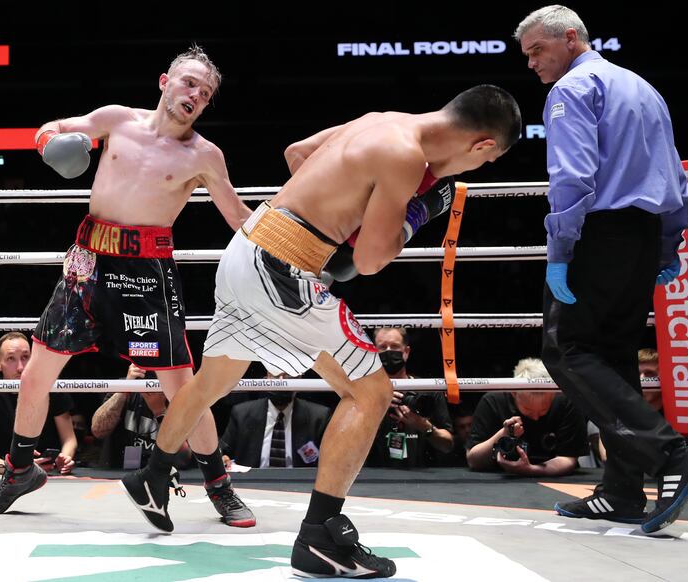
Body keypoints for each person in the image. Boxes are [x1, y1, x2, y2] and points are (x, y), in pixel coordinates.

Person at [121, 84, 521, 578]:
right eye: (485, 162)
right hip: (282, 270)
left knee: (212, 382)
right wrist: (419, 212)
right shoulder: (406, 157)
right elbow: (371, 261)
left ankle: (154, 473)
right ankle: (320, 535)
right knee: (371, 392)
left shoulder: (381, 116)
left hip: (248, 247)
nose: (476, 169)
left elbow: (297, 154)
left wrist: (331, 214)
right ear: (482, 145)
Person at [0, 47, 256, 528]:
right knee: (36, 374)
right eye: (190, 83)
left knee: (182, 388)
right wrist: (48, 143)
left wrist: (290, 244)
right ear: (165, 80)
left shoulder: (205, 155)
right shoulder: (117, 119)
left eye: (206, 94)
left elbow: (239, 218)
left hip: (146, 273)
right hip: (88, 261)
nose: (196, 96)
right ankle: (19, 470)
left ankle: (218, 484)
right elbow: (55, 127)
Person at [514, 5, 688, 532]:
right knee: (615, 353)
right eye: (527, 55)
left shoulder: (572, 90)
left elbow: (572, 178)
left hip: (597, 234)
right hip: (644, 236)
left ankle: (672, 455)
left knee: (568, 350)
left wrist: (560, 252)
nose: (532, 63)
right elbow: (674, 175)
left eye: (537, 50)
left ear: (571, 37)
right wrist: (668, 244)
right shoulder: (643, 87)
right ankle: (622, 490)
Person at [0, 332, 76, 476]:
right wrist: (19, 468)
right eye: (11, 359)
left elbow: (69, 439)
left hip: (53, 474)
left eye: (25, 357)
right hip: (11, 477)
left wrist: (65, 458)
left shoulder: (51, 387)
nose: (20, 367)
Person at [465, 357, 587, 476]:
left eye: (544, 409)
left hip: (556, 479)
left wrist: (531, 470)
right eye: (528, 410)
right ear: (513, 393)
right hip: (499, 481)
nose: (535, 417)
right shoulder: (493, 401)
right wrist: (504, 433)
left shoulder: (566, 402)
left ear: (553, 394)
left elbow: (568, 458)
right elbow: (474, 460)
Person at [366, 327, 453, 468]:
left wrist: (423, 425)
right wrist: (375, 408)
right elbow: (344, 445)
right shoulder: (361, 392)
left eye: (394, 346)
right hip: (374, 477)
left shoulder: (428, 390)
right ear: (374, 353)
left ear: (406, 352)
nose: (388, 351)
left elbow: (447, 445)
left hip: (423, 479)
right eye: (382, 347)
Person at [91, 364, 191, 469]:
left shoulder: (182, 394)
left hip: (166, 474)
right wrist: (124, 389)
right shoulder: (125, 385)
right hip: (119, 471)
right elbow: (98, 430)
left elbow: (183, 459)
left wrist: (160, 412)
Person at [220, 383, 331, 469]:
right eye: (276, 375)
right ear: (266, 379)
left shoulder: (318, 416)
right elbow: (223, 451)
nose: (281, 381)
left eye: (287, 376)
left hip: (302, 486)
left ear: (299, 378)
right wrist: (223, 458)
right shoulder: (242, 413)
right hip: (252, 484)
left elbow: (331, 461)